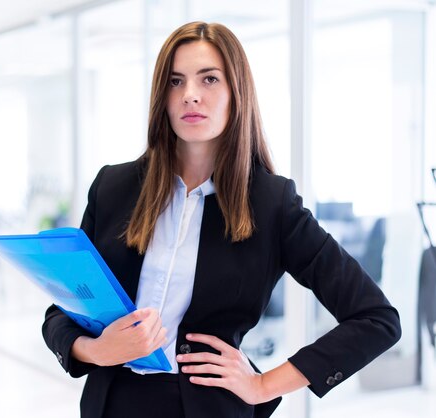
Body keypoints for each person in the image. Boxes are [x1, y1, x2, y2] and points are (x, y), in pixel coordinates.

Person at [42, 21, 402, 418]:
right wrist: (95, 349)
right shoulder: (113, 187)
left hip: (209, 408)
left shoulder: (271, 204)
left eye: (209, 79)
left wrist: (264, 384)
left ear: (236, 93)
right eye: (175, 82)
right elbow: (64, 310)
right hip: (111, 402)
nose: (190, 96)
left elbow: (376, 319)